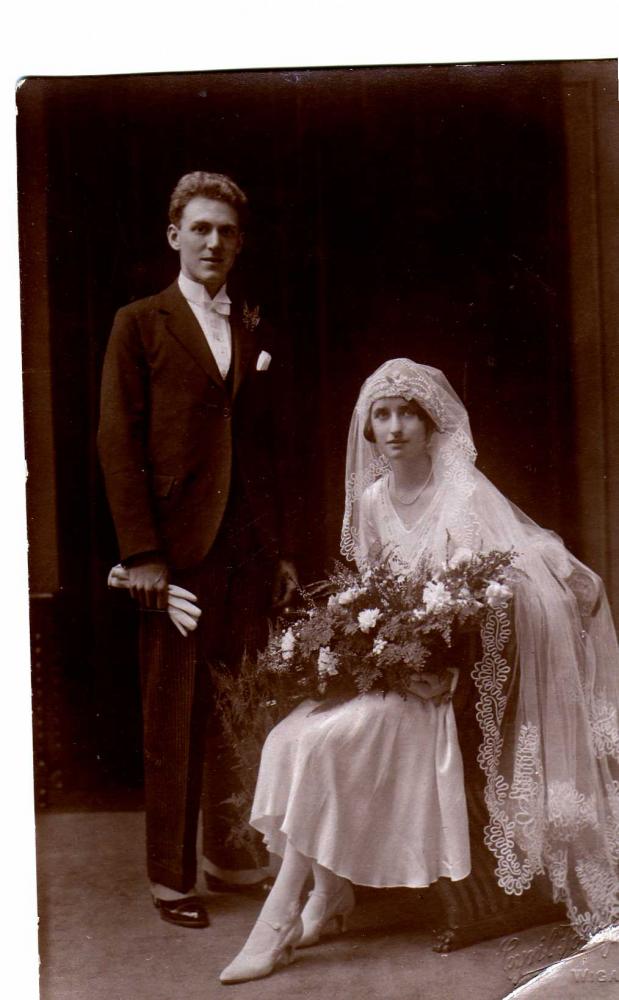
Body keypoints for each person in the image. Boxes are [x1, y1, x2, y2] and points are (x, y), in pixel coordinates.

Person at [219, 358, 619, 984]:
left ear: (432, 427)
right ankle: (326, 894)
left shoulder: (461, 495)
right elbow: (374, 594)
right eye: (383, 414)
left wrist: (445, 654)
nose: (396, 426)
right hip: (393, 672)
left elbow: (499, 585)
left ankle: (278, 918)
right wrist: (371, 652)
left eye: (409, 413)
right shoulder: (375, 502)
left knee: (326, 743)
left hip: (442, 682)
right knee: (291, 735)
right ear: (370, 429)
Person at [98, 171, 298, 928]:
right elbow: (119, 443)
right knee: (172, 714)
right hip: (175, 556)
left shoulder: (250, 329)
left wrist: (277, 552)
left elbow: (263, 450)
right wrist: (143, 556)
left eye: (227, 232)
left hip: (246, 550)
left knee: (235, 705)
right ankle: (169, 878)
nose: (214, 242)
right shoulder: (139, 323)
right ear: (174, 234)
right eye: (201, 228)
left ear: (239, 243)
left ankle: (229, 855)